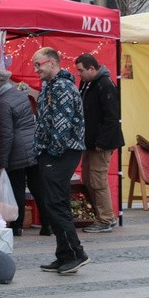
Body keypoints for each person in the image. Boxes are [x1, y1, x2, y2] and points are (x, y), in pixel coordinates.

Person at [32, 47, 89, 274]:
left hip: (62, 151)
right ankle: (64, 254)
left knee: (55, 203)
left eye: (39, 64)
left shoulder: (63, 87)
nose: (36, 69)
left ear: (53, 63)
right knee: (55, 202)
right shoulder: (49, 86)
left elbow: (61, 124)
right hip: (52, 151)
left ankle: (76, 253)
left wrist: (51, 153)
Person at [0, 69, 51, 237]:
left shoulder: (3, 103)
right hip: (33, 145)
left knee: (17, 188)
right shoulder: (20, 95)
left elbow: (6, 134)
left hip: (17, 149)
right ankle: (48, 224)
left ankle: (16, 226)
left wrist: (3, 161)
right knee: (38, 187)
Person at [75, 53, 125, 233]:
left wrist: (102, 142)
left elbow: (112, 117)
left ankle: (105, 219)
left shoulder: (105, 84)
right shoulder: (88, 83)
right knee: (89, 179)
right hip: (90, 141)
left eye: (81, 70)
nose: (79, 74)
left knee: (97, 180)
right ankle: (102, 216)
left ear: (92, 69)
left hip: (101, 143)